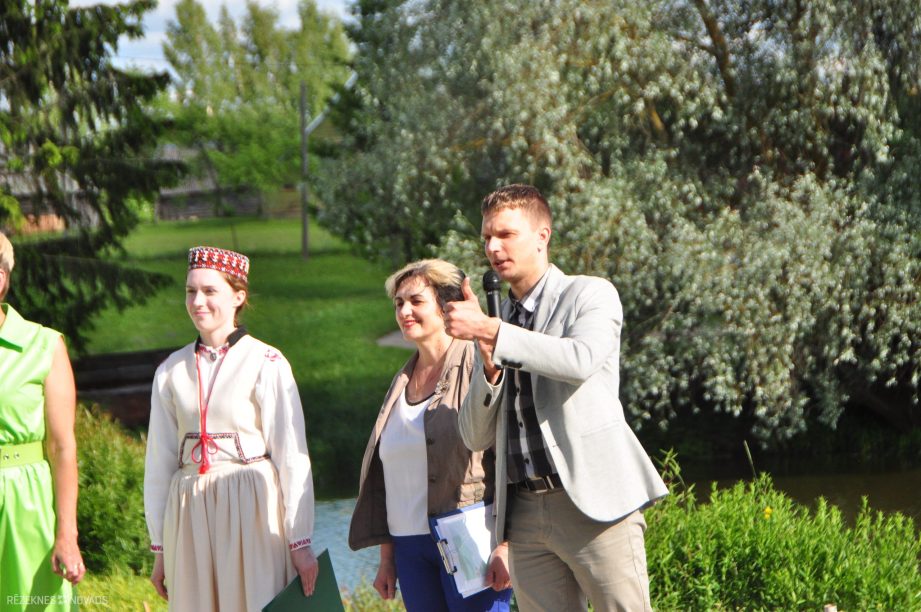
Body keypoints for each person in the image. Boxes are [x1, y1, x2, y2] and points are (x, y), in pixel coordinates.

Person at [444, 185, 669, 612]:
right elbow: (474, 436)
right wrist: (490, 369)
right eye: (487, 237)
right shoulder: (496, 321)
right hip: (524, 514)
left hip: (593, 503)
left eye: (506, 234)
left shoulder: (590, 294)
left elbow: (579, 360)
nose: (493, 247)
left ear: (542, 236)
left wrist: (492, 332)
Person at [144, 246, 318, 611]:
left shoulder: (266, 361)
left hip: (251, 507)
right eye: (191, 291)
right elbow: (159, 463)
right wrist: (160, 548)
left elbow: (291, 455)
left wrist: (299, 542)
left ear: (238, 296)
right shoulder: (170, 371)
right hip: (190, 512)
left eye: (210, 291)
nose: (198, 302)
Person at [349, 259, 513, 612]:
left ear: (446, 306)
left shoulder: (477, 362)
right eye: (399, 303)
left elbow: (508, 454)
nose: (404, 311)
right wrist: (387, 558)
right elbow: (391, 476)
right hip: (408, 547)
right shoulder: (401, 380)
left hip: (467, 533)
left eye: (416, 301)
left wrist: (508, 544)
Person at [0, 231, 85, 611]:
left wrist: (67, 534)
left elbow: (62, 447)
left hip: (25, 505)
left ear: (2, 278)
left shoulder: (43, 345)